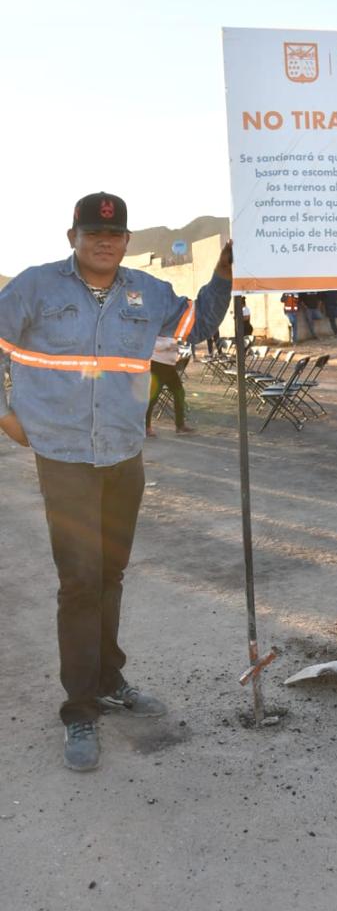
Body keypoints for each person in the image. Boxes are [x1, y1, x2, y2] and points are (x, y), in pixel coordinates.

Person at [0, 191, 233, 771]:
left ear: (126, 241)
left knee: (110, 574)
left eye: (114, 235)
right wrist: (4, 416)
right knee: (80, 581)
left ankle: (109, 680)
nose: (104, 242)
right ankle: (79, 708)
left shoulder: (147, 292)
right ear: (72, 237)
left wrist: (224, 275)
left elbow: (196, 324)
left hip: (123, 455)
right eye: (93, 234)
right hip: (64, 457)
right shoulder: (35, 286)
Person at [145, 336, 194, 436]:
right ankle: (146, 427)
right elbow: (152, 343)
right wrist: (168, 345)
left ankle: (180, 425)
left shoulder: (172, 330)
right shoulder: (157, 329)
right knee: (153, 398)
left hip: (170, 366)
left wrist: (177, 347)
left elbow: (176, 344)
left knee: (180, 392)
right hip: (157, 365)